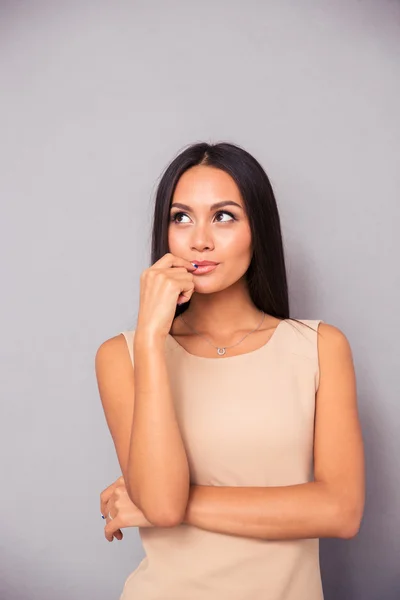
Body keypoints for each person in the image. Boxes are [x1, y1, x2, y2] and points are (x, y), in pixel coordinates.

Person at [95, 141, 365, 600]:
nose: (199, 239)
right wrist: (149, 338)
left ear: (257, 228)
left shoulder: (320, 347)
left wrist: (175, 504)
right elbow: (159, 503)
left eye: (224, 216)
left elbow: (340, 511)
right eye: (181, 217)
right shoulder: (124, 355)